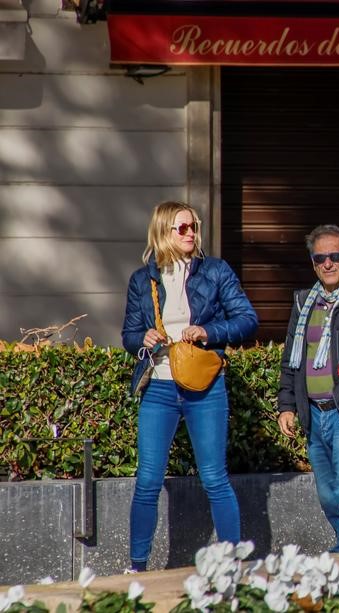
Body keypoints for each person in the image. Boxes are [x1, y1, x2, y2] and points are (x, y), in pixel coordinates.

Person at [121, 201, 258, 572]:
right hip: (160, 389)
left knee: (214, 477)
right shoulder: (142, 280)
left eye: (193, 226)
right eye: (182, 228)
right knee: (148, 480)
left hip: (205, 386)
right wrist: (142, 338)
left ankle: (233, 564)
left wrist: (209, 331)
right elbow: (128, 335)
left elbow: (247, 319)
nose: (191, 233)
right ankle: (137, 566)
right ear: (164, 231)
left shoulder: (215, 271)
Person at [276, 224, 339, 552]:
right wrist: (287, 405)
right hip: (314, 417)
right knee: (328, 496)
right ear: (313, 262)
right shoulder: (304, 303)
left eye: (336, 256)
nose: (328, 264)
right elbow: (292, 360)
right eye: (320, 258)